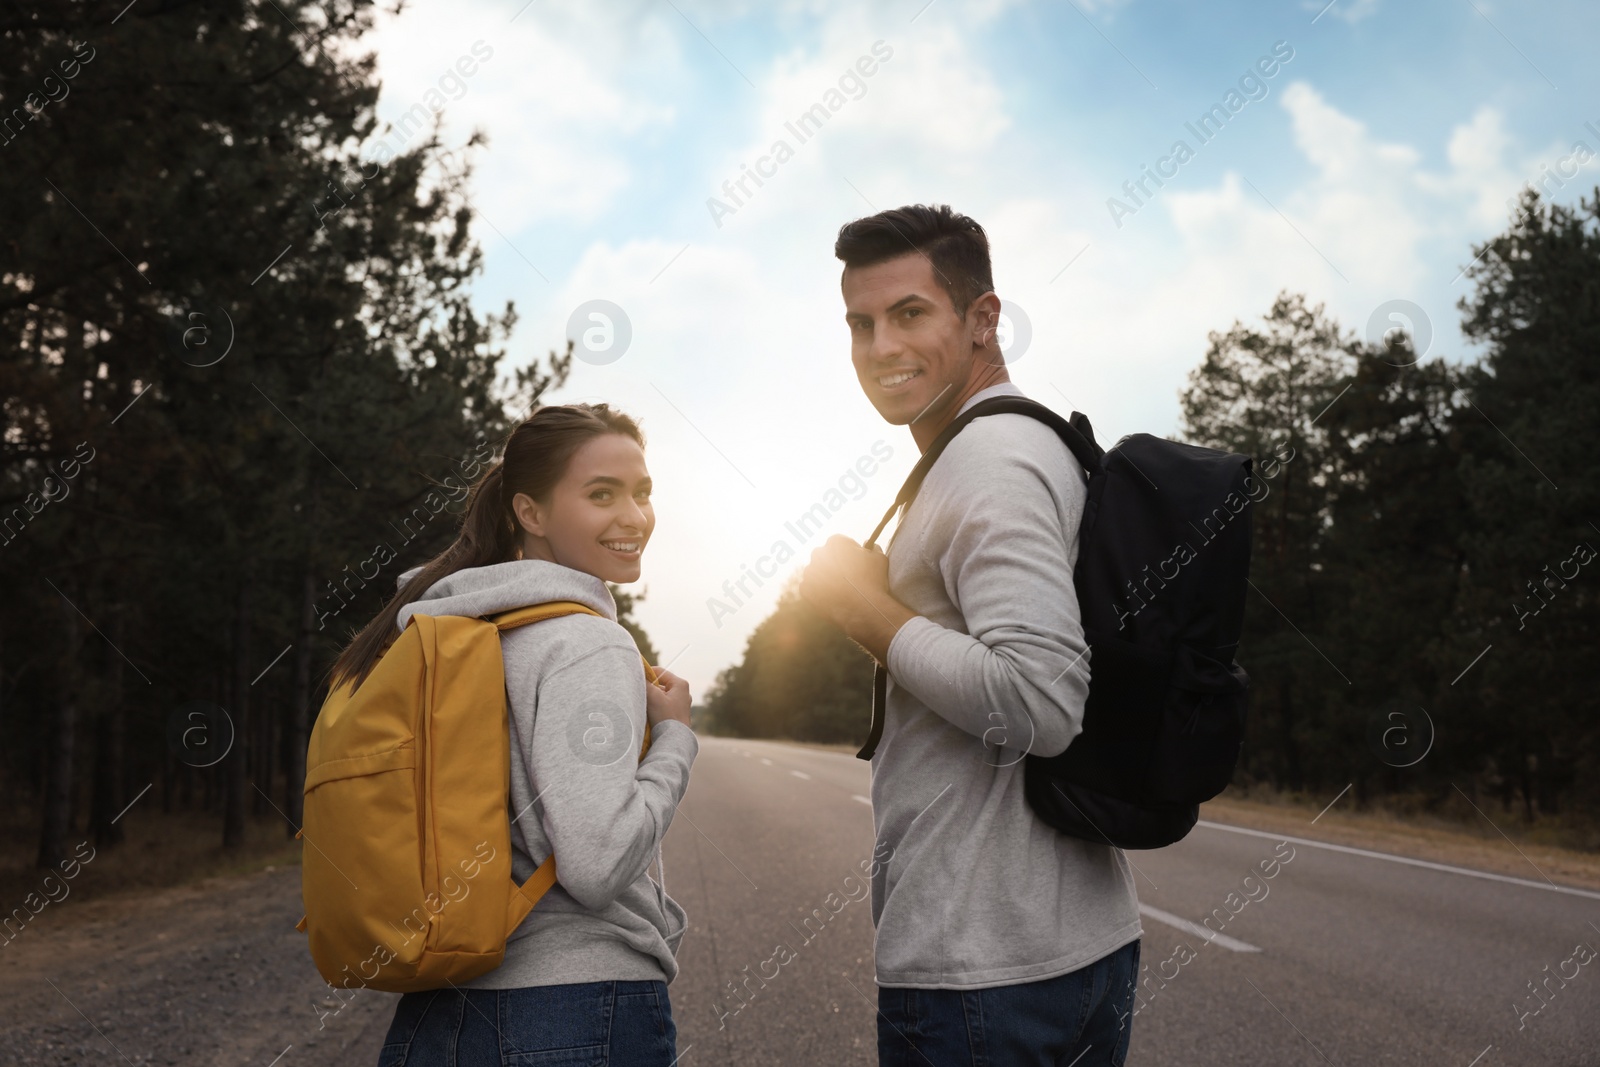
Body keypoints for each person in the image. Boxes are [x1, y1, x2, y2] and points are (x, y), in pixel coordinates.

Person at [799, 205, 1142, 1066]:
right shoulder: (993, 448)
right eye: (860, 323)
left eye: (910, 313)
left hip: (987, 971)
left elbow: (1040, 702)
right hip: (1055, 947)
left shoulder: (991, 462)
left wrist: (866, 613)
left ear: (983, 318)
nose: (879, 346)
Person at [324, 403, 698, 1067]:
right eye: (601, 494)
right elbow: (597, 863)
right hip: (577, 1005)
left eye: (642, 493)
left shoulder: (446, 633)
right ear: (530, 512)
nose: (634, 516)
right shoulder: (587, 642)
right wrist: (673, 741)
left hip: (438, 1016)